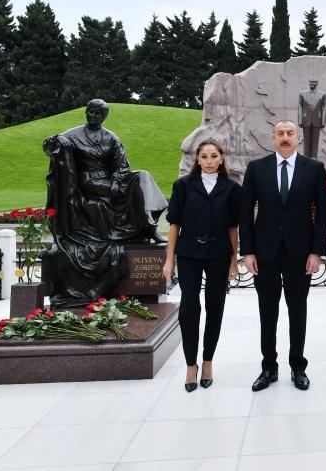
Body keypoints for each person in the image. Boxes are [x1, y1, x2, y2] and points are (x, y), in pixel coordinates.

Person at [41, 99, 168, 307]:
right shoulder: (72, 135)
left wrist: (118, 181)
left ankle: (148, 224)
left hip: (110, 181)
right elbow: (49, 146)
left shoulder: (111, 138)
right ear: (86, 112)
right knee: (118, 189)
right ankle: (144, 224)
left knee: (142, 176)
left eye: (98, 114)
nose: (93, 116)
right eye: (90, 112)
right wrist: (56, 142)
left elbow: (122, 165)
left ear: (104, 116)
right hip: (87, 182)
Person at [240, 120, 326, 391]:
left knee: (297, 311)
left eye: (290, 133)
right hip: (264, 252)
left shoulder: (314, 169)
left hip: (300, 253)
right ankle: (269, 367)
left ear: (299, 138)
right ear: (272, 138)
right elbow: (245, 213)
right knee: (267, 312)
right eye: (280, 134)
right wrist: (248, 251)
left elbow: (324, 214)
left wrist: (316, 252)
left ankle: (297, 367)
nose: (285, 137)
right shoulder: (256, 169)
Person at [163, 140, 241, 392]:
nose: (209, 160)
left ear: (221, 159)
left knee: (215, 307)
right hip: (188, 254)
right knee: (189, 308)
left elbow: (233, 228)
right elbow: (174, 224)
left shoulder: (231, 188)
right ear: (197, 159)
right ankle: (190, 365)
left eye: (214, 156)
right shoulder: (183, 186)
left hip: (218, 254)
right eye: (204, 156)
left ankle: (207, 361)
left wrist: (233, 261)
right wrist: (169, 259)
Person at [298, 79, 326, 159]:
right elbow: (300, 106)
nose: (312, 84)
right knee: (306, 140)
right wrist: (300, 120)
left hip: (317, 120)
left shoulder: (322, 94)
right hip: (305, 120)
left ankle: (314, 157)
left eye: (314, 82)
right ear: (309, 83)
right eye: (311, 82)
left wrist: (323, 121)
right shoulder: (302, 94)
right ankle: (306, 157)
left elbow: (324, 107)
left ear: (317, 83)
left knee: (315, 140)